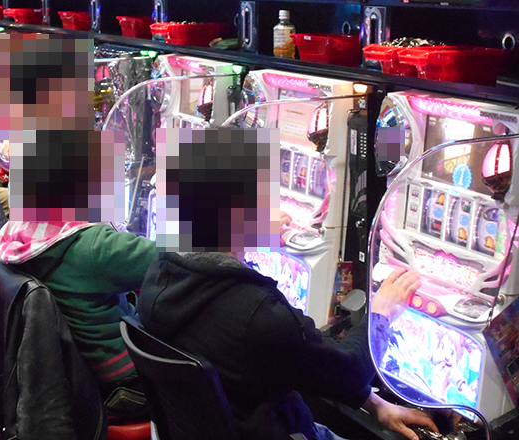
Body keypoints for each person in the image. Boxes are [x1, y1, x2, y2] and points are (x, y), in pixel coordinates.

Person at [137, 127, 437, 440]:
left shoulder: (159, 276)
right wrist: (382, 313)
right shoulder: (256, 314)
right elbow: (350, 371)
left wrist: (375, 404)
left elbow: (300, 364)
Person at [0, 221, 159, 419]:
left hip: (79, 377)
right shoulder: (95, 245)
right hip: (125, 383)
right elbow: (172, 258)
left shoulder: (16, 234)